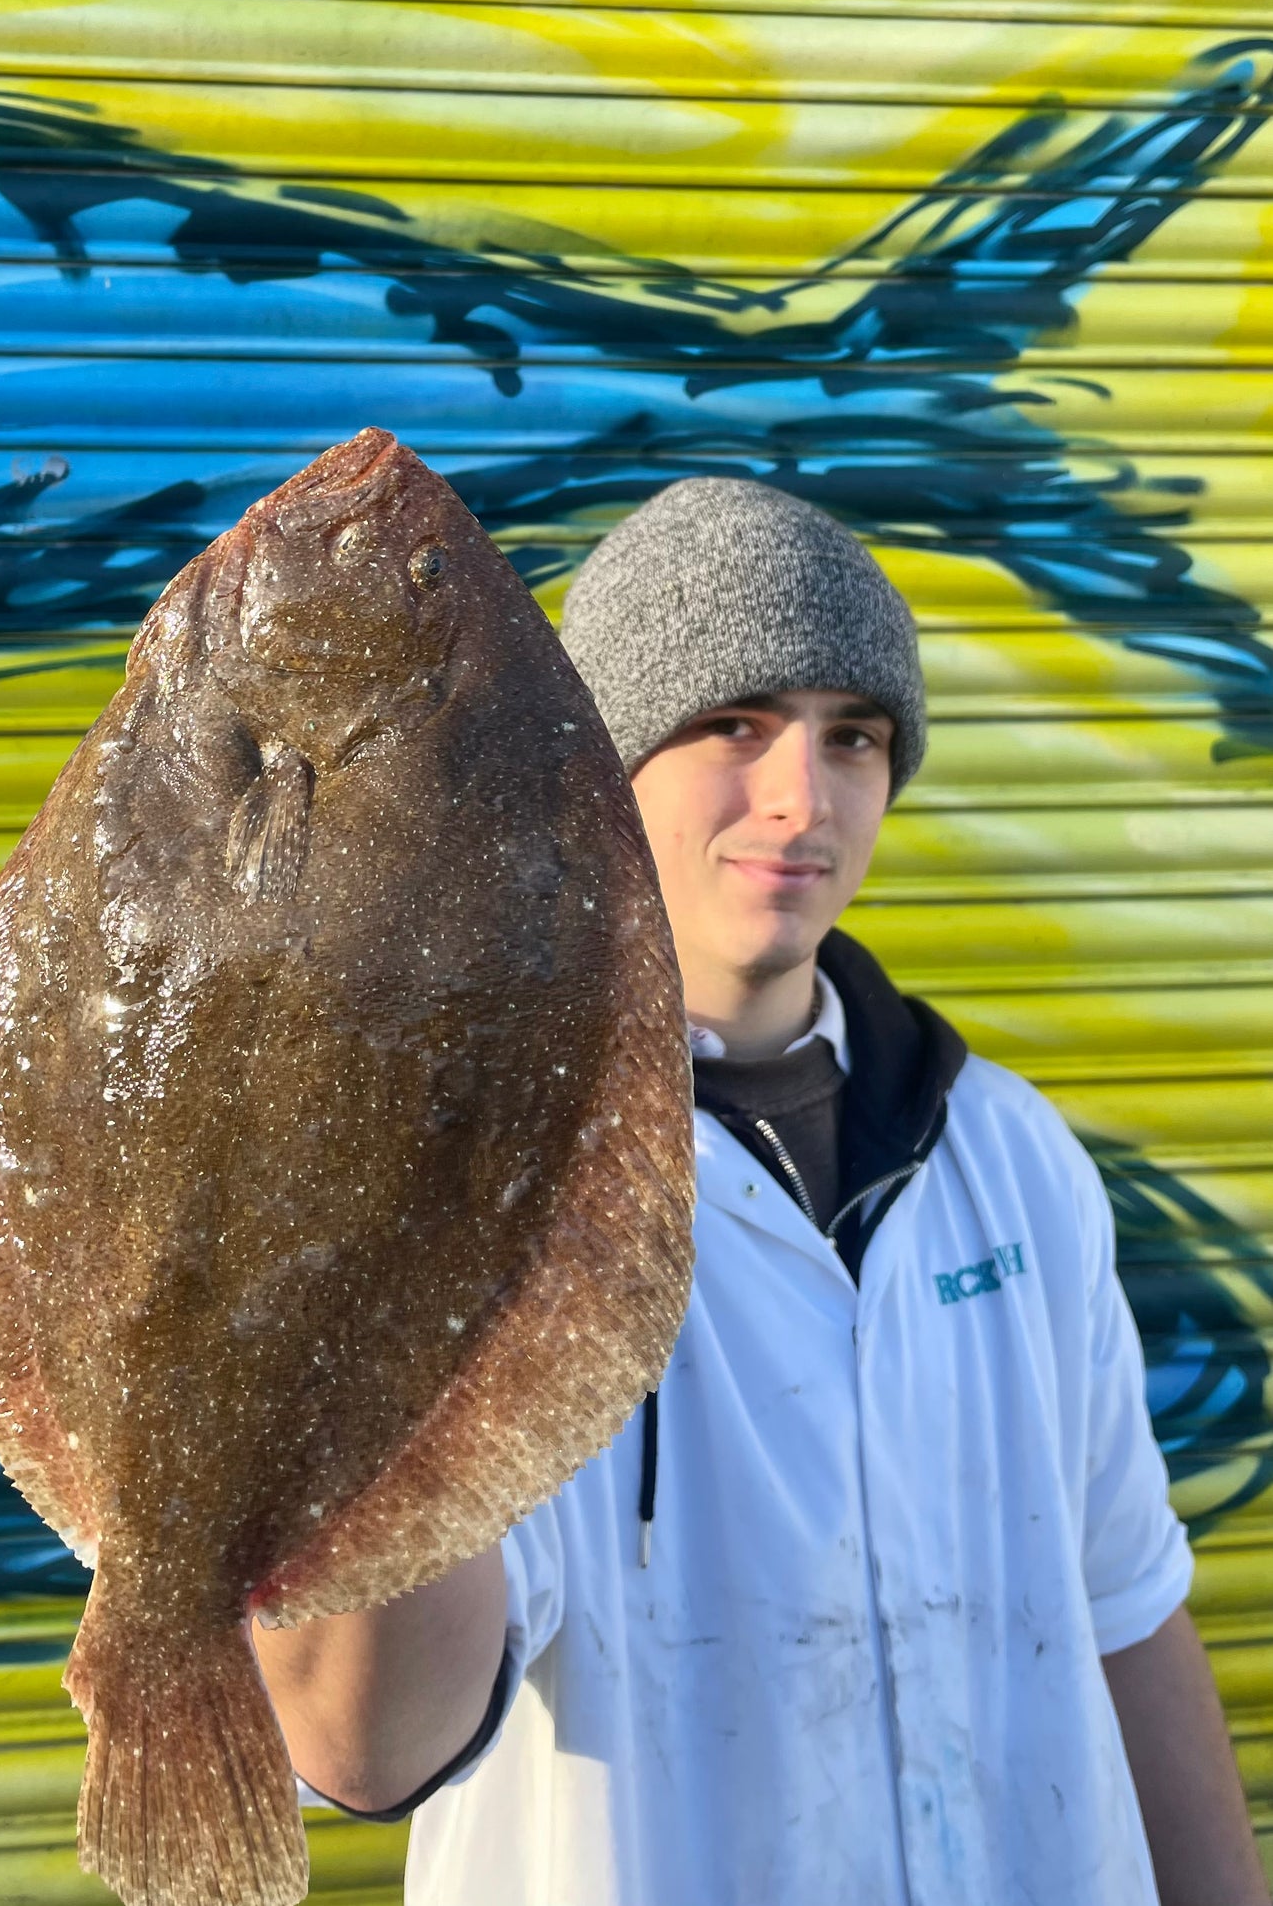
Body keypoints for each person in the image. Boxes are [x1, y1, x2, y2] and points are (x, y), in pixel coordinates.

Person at [253, 479, 1268, 1906]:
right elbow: (367, 1746)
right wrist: (391, 1263)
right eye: (734, 724)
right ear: (595, 773)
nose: (801, 799)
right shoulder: (486, 1180)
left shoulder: (1007, 1152)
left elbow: (1124, 1615)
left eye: (851, 737)